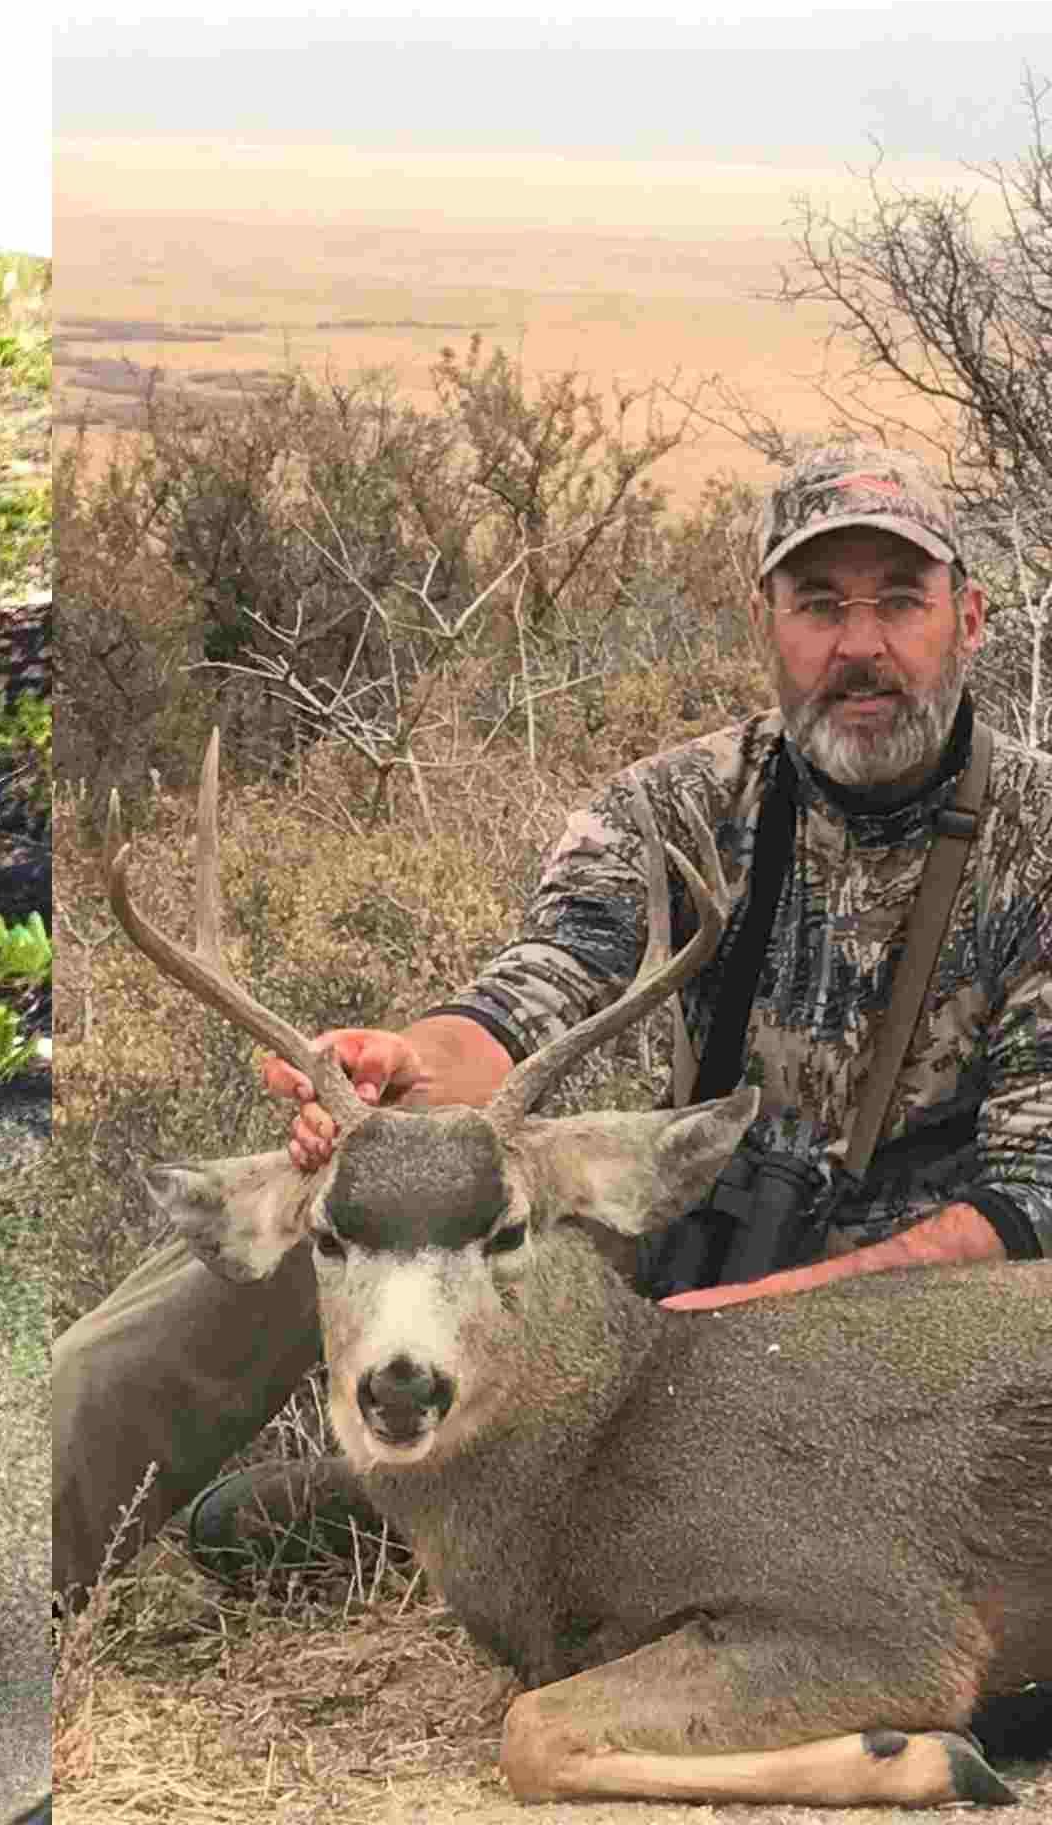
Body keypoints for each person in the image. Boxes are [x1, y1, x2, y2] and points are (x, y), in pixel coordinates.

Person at [53, 443, 1052, 1600]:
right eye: (818, 605)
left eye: (898, 602)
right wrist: (403, 1071)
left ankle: (522, 1508)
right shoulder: (674, 802)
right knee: (375, 1181)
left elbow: (1030, 1199)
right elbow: (539, 982)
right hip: (693, 1252)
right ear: (764, 623)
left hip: (933, 1316)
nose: (859, 645)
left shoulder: (1035, 837)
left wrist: (742, 1324)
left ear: (969, 615)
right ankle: (11, 1579)